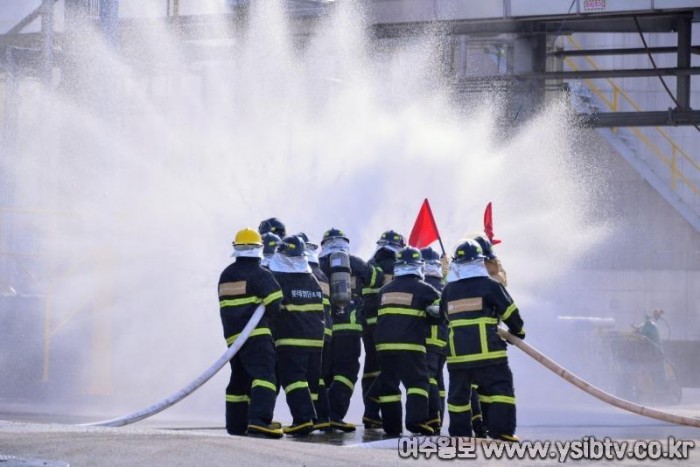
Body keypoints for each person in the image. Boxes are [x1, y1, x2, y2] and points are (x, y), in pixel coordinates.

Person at [441, 239, 525, 441]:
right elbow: (511, 313)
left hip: (458, 356)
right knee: (498, 389)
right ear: (480, 262)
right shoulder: (491, 286)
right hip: (489, 353)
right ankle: (501, 430)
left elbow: (444, 317)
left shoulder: (448, 290)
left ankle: (460, 435)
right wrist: (518, 333)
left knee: (459, 397)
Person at [218, 228, 284, 438]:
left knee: (239, 379)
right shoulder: (261, 274)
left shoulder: (226, 274)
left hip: (233, 337)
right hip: (257, 336)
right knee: (265, 377)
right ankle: (259, 421)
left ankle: (236, 425)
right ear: (258, 249)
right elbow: (276, 304)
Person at [318, 228, 383, 432]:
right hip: (350, 329)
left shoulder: (317, 266)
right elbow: (376, 280)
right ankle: (334, 415)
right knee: (346, 372)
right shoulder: (355, 263)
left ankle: (320, 415)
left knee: (325, 372)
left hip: (325, 329)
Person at [375, 246, 441, 436]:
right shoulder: (425, 289)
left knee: (389, 386)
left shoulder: (384, 291)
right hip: (411, 346)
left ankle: (392, 427)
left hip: (384, 347)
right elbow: (438, 315)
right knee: (418, 383)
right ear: (418, 266)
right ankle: (416, 421)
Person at [268, 235, 325, 436]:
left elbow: (273, 308)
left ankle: (303, 419)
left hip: (291, 338)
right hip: (316, 340)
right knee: (310, 381)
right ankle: (316, 418)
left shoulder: (279, 278)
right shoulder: (313, 279)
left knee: (293, 378)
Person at [361, 229, 406, 429]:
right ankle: (377, 409)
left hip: (366, 323)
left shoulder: (369, 265)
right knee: (390, 367)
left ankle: (371, 413)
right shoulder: (399, 267)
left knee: (371, 366)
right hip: (388, 324)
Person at [296, 232, 333, 432]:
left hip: (307, 333)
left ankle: (310, 417)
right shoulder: (321, 274)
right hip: (324, 333)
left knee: (306, 377)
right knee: (318, 377)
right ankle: (323, 417)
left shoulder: (304, 273)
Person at [420, 246, 449, 432]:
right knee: (438, 378)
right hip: (444, 340)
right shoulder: (446, 286)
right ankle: (439, 418)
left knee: (428, 376)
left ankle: (432, 416)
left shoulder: (422, 285)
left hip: (428, 338)